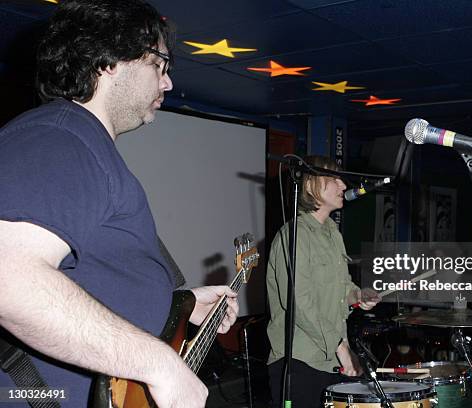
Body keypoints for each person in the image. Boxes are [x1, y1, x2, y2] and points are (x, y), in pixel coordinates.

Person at [0, 1, 238, 407]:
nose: (167, 83)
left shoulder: (79, 141)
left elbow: (96, 279)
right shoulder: (60, 138)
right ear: (110, 60)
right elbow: (8, 278)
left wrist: (181, 303)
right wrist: (159, 364)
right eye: (160, 65)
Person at [266, 156, 381, 408]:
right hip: (299, 361)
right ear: (309, 186)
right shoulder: (293, 236)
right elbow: (300, 304)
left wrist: (358, 295)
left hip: (331, 358)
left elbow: (342, 287)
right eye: (334, 179)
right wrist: (341, 349)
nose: (342, 185)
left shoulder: (333, 233)